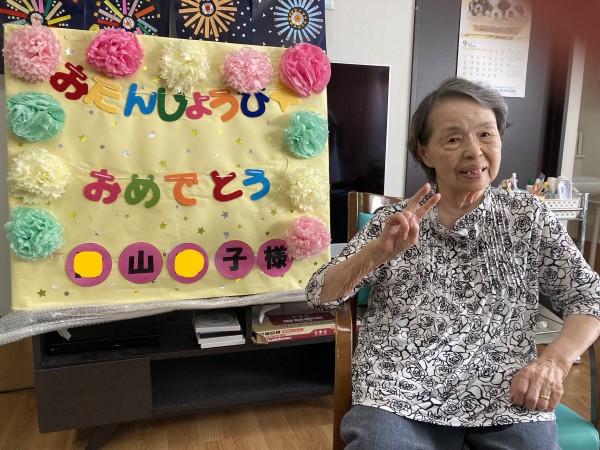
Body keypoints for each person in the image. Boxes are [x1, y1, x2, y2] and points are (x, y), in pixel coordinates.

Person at [306, 77, 600, 449]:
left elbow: (589, 298)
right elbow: (319, 294)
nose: (475, 152)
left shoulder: (528, 216)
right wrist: (376, 254)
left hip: (505, 393)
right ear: (424, 152)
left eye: (486, 135)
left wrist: (554, 361)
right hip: (399, 393)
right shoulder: (393, 223)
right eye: (453, 139)